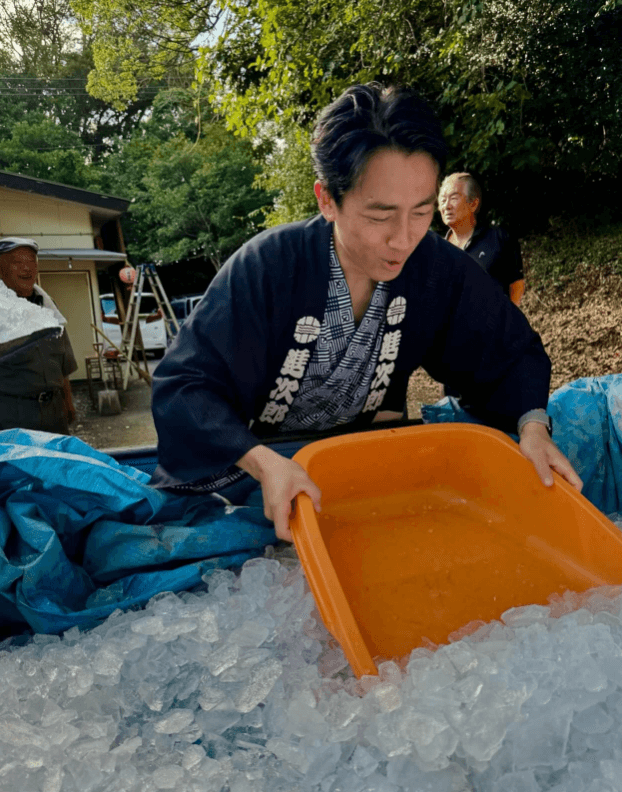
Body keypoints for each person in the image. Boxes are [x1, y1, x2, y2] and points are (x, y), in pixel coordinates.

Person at [150, 83, 581, 542]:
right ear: (326, 199)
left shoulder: (434, 265)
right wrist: (264, 463)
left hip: (360, 469)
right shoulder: (269, 265)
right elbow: (184, 388)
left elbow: (509, 350)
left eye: (420, 212)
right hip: (256, 476)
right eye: (380, 216)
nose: (403, 238)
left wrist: (532, 427)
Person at [0, 237, 77, 433]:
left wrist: (68, 403)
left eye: (32, 261)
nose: (27, 268)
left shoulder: (47, 305)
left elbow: (63, 364)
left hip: (54, 412)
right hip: (12, 417)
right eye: (18, 262)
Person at [438, 172, 525, 306]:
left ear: (473, 204)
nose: (447, 206)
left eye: (454, 198)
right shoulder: (436, 251)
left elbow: (516, 284)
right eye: (443, 200)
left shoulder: (499, 239)